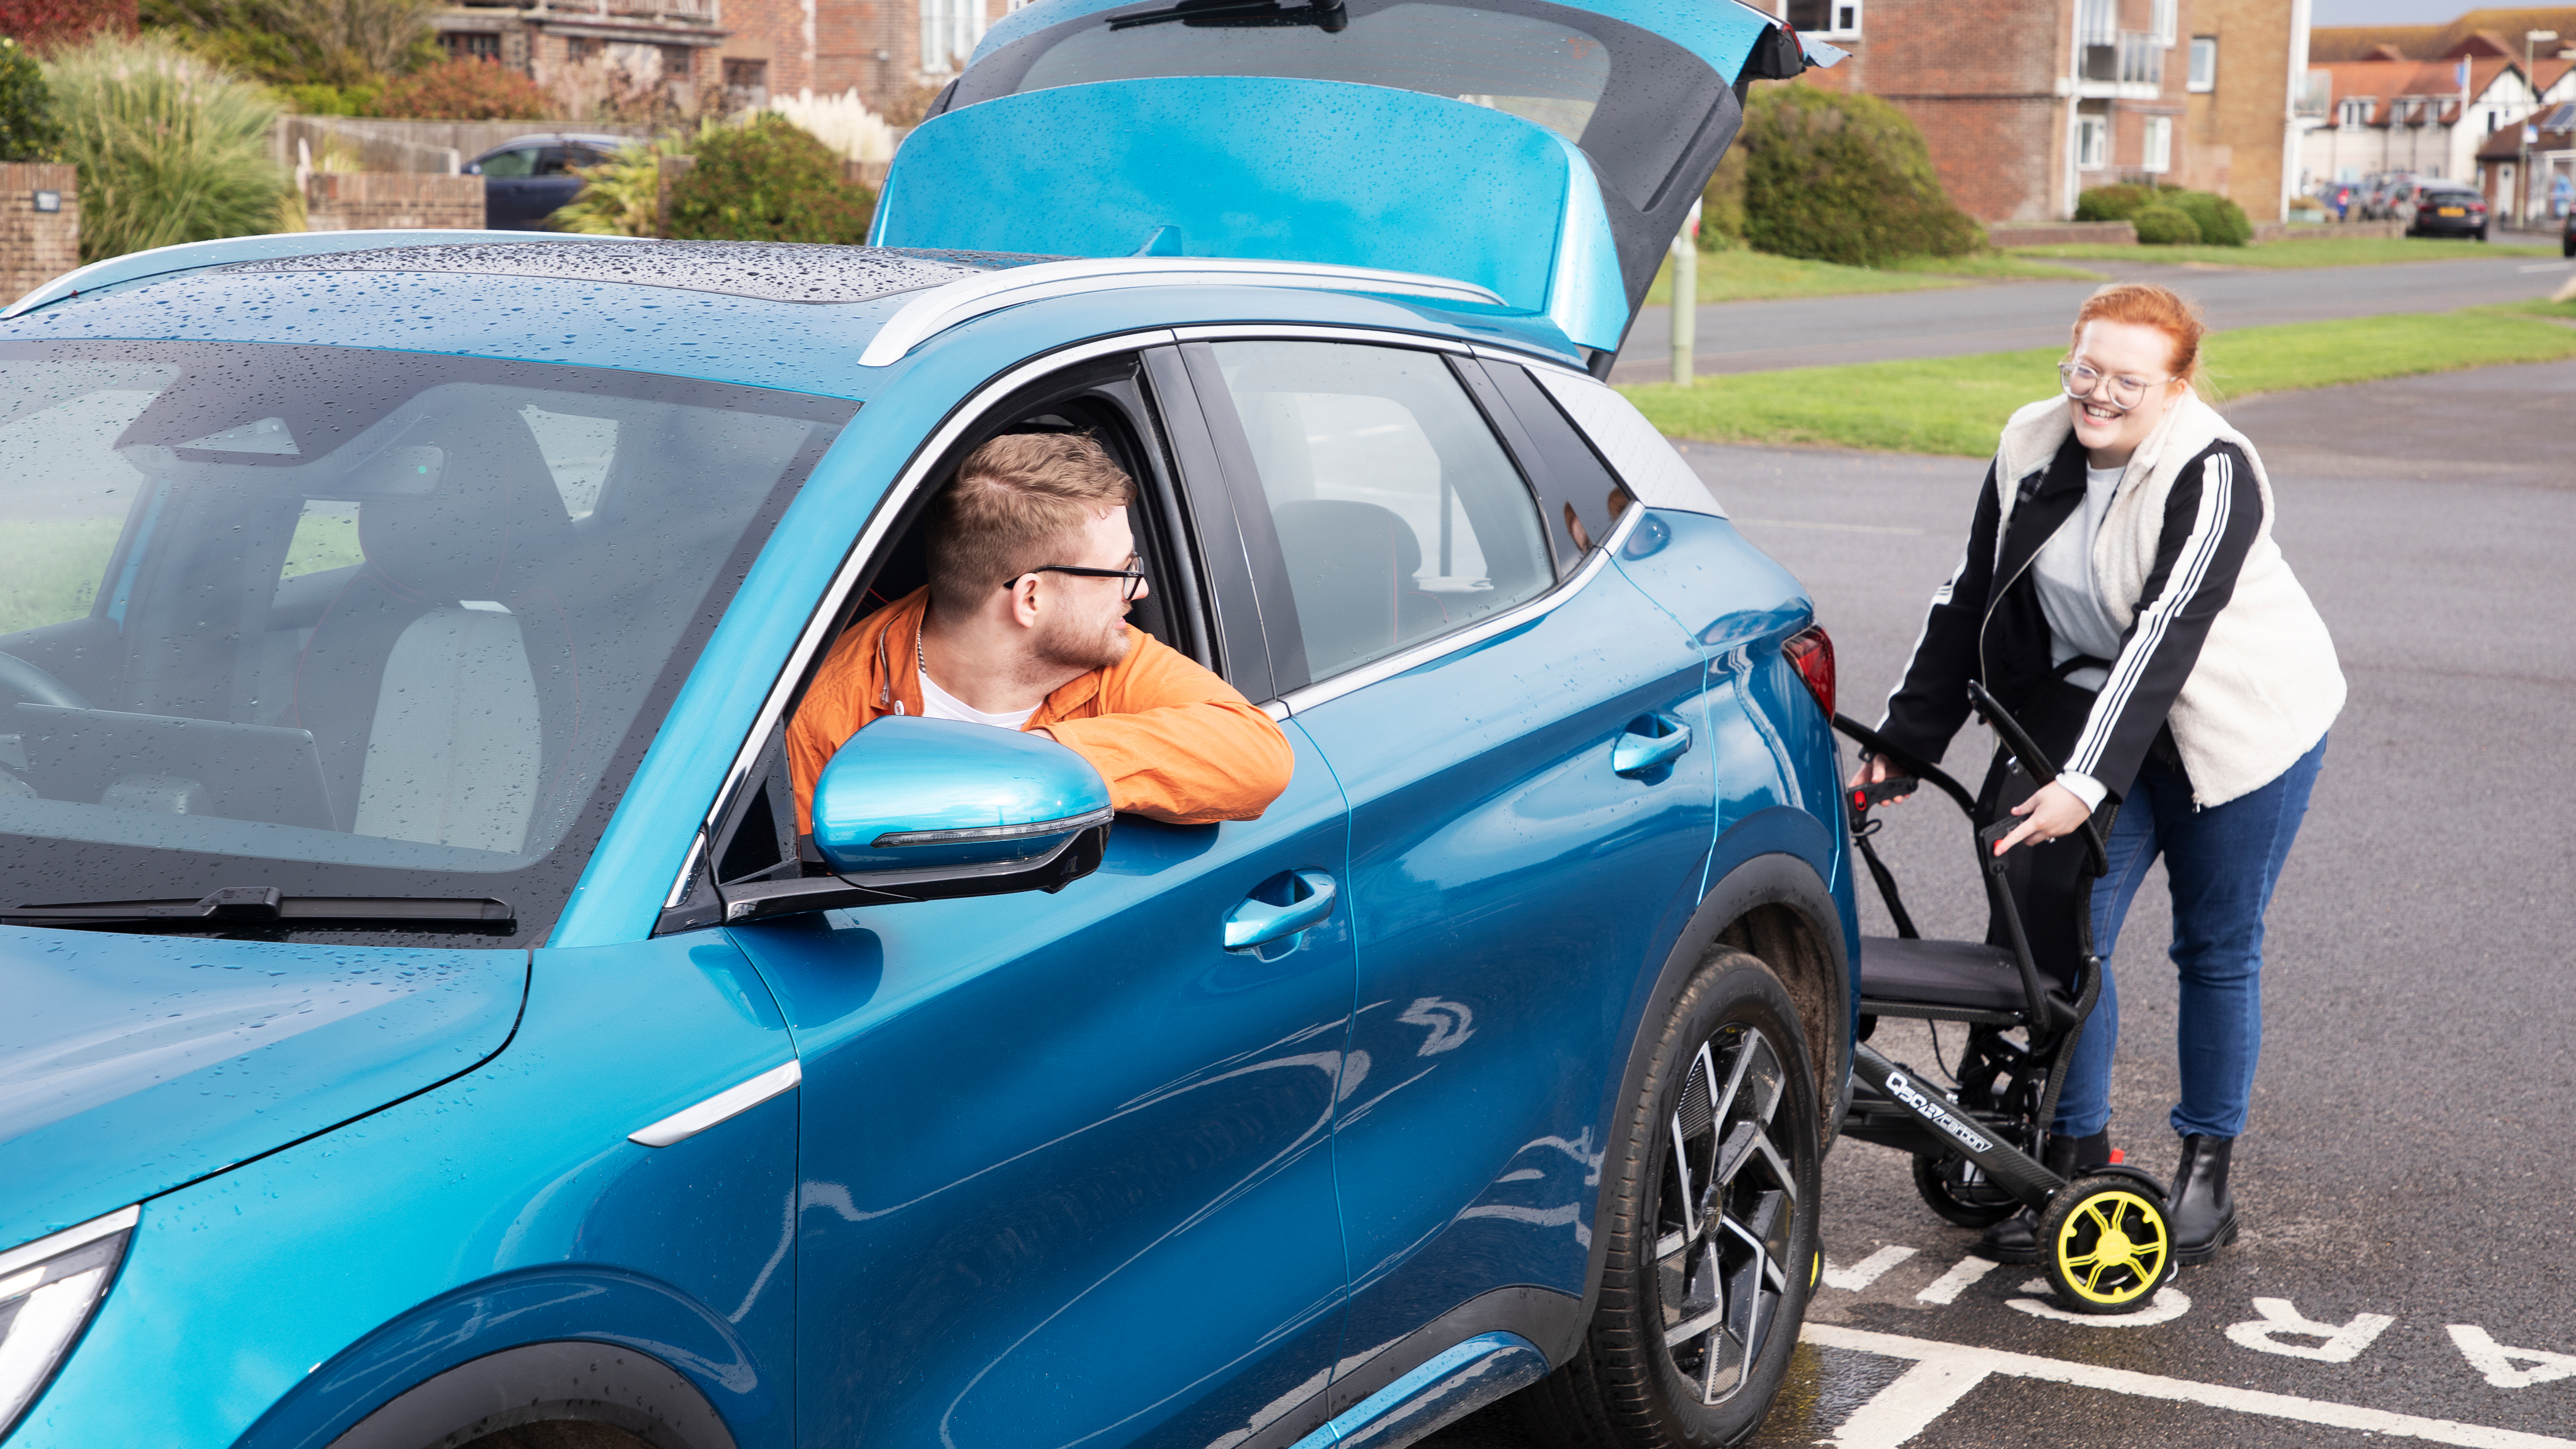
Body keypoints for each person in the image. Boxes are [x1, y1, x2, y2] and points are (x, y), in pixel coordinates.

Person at [1854, 282, 2343, 1266]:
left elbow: (2165, 636)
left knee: (2214, 949)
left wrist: (2084, 784)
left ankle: (2207, 1168)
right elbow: (1970, 594)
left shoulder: (2214, 471)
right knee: (2061, 946)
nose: (2100, 395)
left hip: (2236, 729)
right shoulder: (2031, 441)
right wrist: (1907, 744)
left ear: (2175, 386)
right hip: (2089, 724)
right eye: (2086, 370)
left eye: (2128, 380)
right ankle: (2072, 1158)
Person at [788, 431, 1294, 833]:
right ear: (1030, 598)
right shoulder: (828, 713)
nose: (1139, 593)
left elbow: (1256, 756)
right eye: (1122, 572)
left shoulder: (1108, 657)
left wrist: (1038, 760)